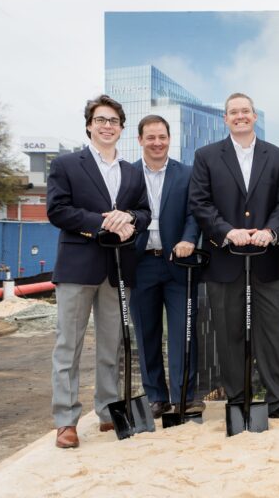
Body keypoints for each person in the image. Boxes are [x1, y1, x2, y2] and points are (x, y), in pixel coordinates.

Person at [189, 93, 279, 420]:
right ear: (225, 118)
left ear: (254, 117)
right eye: (233, 112)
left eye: (245, 111)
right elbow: (200, 202)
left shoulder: (278, 156)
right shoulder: (206, 156)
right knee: (229, 335)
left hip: (268, 260)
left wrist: (271, 231)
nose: (240, 116)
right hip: (225, 260)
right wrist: (227, 231)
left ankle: (278, 403)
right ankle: (238, 403)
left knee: (273, 334)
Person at [47, 94, 150, 448]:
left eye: (113, 121)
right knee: (68, 346)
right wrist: (104, 222)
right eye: (101, 120)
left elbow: (144, 212)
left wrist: (130, 218)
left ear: (121, 128)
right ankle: (66, 420)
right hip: (77, 268)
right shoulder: (66, 165)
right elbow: (58, 210)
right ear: (90, 125)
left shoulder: (132, 171)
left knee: (112, 345)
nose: (107, 126)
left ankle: (108, 411)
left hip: (118, 268)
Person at [129, 115, 203, 419]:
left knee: (183, 332)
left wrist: (189, 239)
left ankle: (184, 396)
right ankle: (156, 397)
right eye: (151, 137)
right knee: (146, 333)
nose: (157, 143)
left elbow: (195, 213)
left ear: (169, 139)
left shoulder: (187, 174)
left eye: (162, 137)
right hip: (141, 262)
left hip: (179, 263)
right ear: (140, 140)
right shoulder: (128, 174)